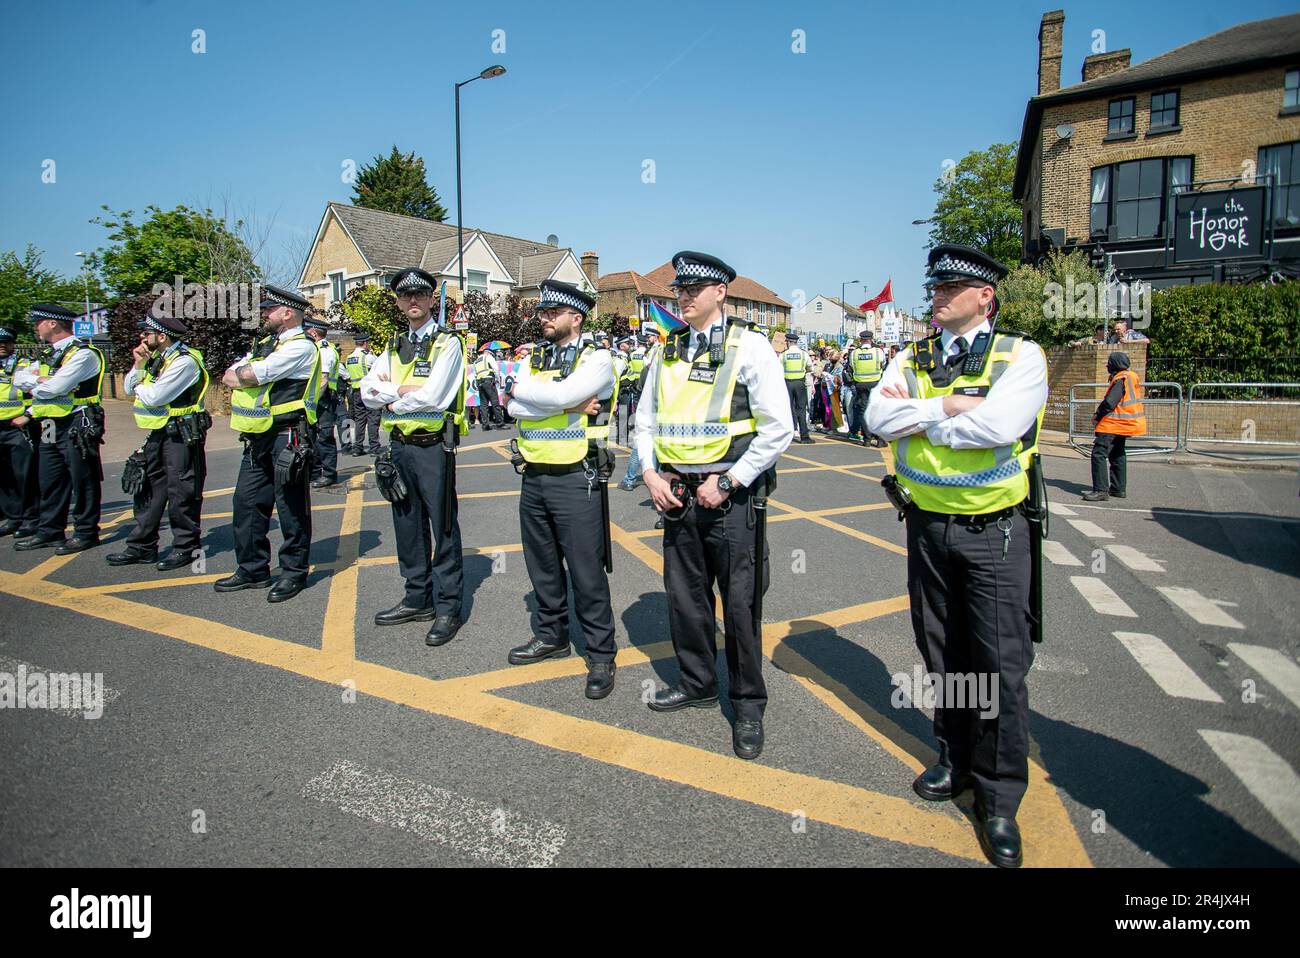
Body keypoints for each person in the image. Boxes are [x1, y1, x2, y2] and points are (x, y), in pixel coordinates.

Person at [866, 243, 1048, 869]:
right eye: (934, 286)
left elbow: (1000, 428)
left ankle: (998, 799)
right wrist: (945, 406)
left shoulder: (1021, 355)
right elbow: (875, 417)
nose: (937, 295)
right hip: (927, 527)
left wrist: (919, 421)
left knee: (999, 664)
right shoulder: (910, 356)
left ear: (984, 296)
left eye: (951, 287)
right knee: (940, 649)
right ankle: (955, 759)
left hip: (995, 531)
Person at [636, 251, 794, 760]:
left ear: (720, 292)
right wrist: (648, 473)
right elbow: (644, 421)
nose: (684, 295)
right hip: (677, 494)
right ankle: (697, 682)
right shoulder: (668, 349)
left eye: (694, 288)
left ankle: (748, 704)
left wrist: (728, 481)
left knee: (741, 604)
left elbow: (778, 429)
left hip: (731, 498)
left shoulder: (750, 347)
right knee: (685, 599)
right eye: (680, 288)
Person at [504, 281, 619, 697]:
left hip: (578, 477)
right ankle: (551, 635)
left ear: (577, 318)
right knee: (543, 567)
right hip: (533, 474)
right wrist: (561, 404)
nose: (544, 318)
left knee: (587, 573)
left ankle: (601, 654)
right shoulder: (534, 356)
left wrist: (538, 396)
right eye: (541, 313)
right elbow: (510, 404)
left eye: (553, 313)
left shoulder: (598, 357)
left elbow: (557, 393)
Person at [360, 267, 467, 646]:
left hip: (434, 448)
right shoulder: (392, 344)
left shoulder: (448, 343)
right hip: (400, 448)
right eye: (405, 296)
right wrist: (402, 391)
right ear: (398, 301)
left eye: (419, 295)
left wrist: (393, 392)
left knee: (443, 528)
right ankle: (416, 597)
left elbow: (434, 397)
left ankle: (448, 605)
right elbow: (366, 392)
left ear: (431, 298)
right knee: (406, 526)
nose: (412, 301)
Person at [214, 285, 322, 602]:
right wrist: (241, 372)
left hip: (288, 435)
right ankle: (252, 569)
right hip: (258, 435)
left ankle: (293, 572)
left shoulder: (300, 347)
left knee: (290, 507)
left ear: (287, 313)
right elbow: (231, 373)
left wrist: (243, 373)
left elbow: (251, 375)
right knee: (246, 503)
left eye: (269, 309)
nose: (263, 313)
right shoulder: (267, 344)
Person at [108, 307, 209, 570]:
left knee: (181, 492)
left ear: (162, 336)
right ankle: (141, 546)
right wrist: (139, 365)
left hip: (182, 436)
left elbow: (154, 397)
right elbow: (130, 387)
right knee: (149, 490)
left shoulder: (185, 361)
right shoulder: (157, 359)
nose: (143, 336)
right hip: (159, 432)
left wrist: (143, 386)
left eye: (147, 332)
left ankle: (185, 547)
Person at [13, 303, 106, 554]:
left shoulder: (84, 354)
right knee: (50, 479)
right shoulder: (48, 354)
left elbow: (54, 388)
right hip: (50, 423)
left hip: (78, 422)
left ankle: (86, 532)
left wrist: (46, 382)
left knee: (82, 478)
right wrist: (43, 381)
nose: (36, 327)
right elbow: (19, 379)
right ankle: (50, 531)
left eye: (38, 322)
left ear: (53, 323)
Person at [1084, 351, 1145, 501]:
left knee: (1098, 454)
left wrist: (1097, 415)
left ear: (1115, 364)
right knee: (1117, 454)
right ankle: (1118, 489)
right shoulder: (1131, 376)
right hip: (1125, 424)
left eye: (1109, 363)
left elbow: (1110, 402)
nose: (1108, 366)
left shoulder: (1120, 378)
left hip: (1112, 424)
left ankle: (1100, 490)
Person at [0, 326, 39, 538]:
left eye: (6, 342)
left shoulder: (25, 365)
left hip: (19, 426)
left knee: (24, 475)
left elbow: (40, 392)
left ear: (13, 343)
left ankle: (31, 518)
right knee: (4, 477)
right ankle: (13, 517)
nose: (2, 346)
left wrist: (30, 415)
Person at [304, 314, 341, 487]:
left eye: (306, 330)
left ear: (313, 332)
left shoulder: (324, 351)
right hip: (319, 400)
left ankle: (328, 474)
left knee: (324, 436)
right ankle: (315, 472)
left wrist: (311, 403)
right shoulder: (317, 348)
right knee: (313, 436)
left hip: (323, 399)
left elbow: (323, 380)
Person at [846, 330, 886, 446]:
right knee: (877, 410)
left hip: (860, 384)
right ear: (871, 339)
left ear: (861, 340)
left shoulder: (854, 353)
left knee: (863, 411)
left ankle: (867, 439)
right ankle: (879, 439)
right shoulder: (878, 352)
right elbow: (882, 365)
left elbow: (852, 367)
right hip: (875, 383)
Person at [343, 332, 380, 456]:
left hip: (355, 392)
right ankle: (374, 448)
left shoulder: (349, 357)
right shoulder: (368, 357)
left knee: (360, 420)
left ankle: (357, 448)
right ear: (365, 343)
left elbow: (348, 374)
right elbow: (378, 370)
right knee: (373, 419)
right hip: (368, 391)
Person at [779, 336, 812, 444]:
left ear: (788, 342)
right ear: (796, 342)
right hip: (800, 383)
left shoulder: (783, 355)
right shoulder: (803, 354)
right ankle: (804, 436)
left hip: (787, 383)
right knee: (801, 409)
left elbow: (778, 368)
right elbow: (810, 367)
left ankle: (788, 434)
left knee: (788, 408)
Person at [474, 344, 502, 430]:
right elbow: (495, 369)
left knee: (483, 404)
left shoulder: (477, 360)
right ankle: (500, 423)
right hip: (488, 380)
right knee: (495, 402)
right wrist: (498, 379)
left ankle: (485, 424)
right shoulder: (488, 357)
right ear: (490, 353)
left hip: (479, 382)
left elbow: (475, 373)